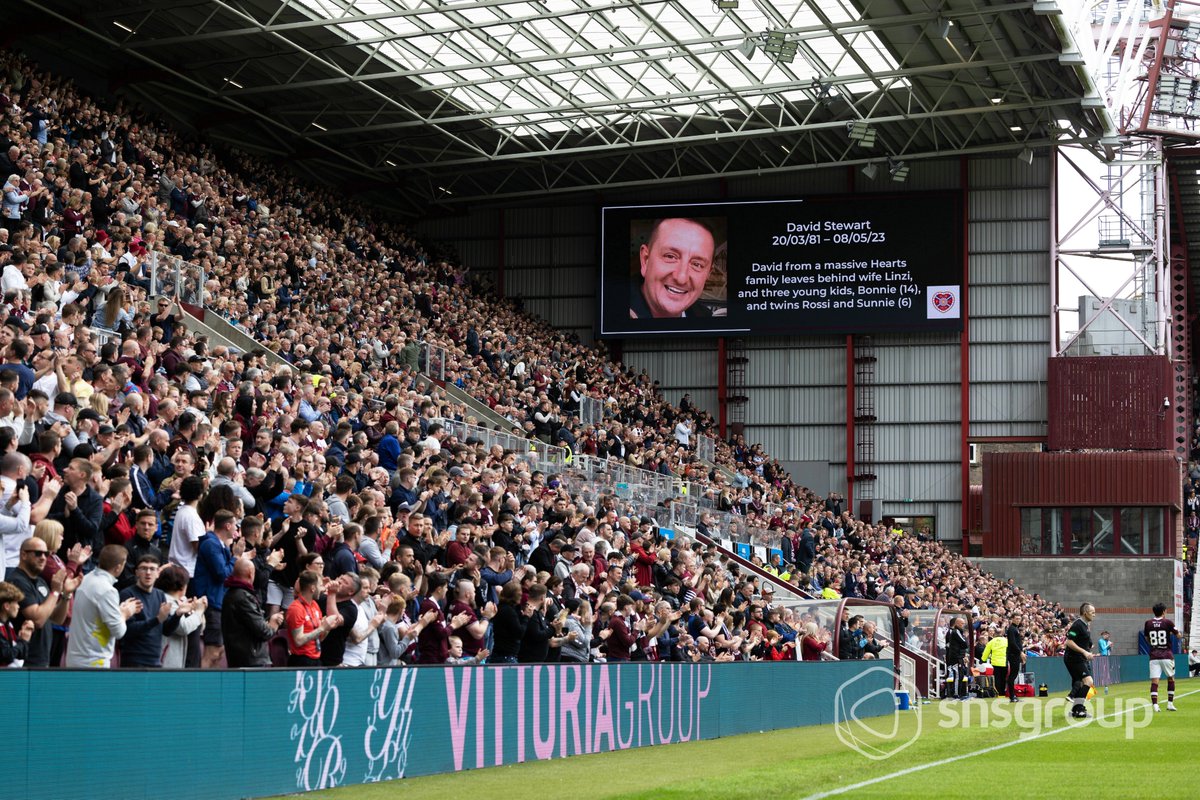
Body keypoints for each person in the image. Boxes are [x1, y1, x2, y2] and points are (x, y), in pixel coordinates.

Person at [65, 544, 142, 668]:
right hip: (93, 663)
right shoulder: (107, 590)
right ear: (118, 567)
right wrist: (125, 613)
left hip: (75, 658)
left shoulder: (87, 578)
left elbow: (95, 614)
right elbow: (119, 631)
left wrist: (118, 611)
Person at [629, 218, 716, 319]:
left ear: (708, 274)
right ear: (645, 260)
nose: (681, 278)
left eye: (697, 264)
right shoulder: (610, 312)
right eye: (670, 256)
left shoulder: (706, 318)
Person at [221, 557, 285, 668]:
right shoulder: (244, 598)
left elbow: (252, 623)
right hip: (251, 661)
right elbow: (264, 632)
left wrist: (269, 619)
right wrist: (274, 624)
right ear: (251, 574)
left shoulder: (230, 594)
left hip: (240, 659)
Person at [117, 555, 178, 668]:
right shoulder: (127, 594)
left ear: (158, 573)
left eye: (152, 569)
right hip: (133, 660)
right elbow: (128, 629)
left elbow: (166, 630)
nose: (148, 573)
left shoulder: (160, 594)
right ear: (137, 572)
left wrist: (178, 615)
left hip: (155, 659)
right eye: (144, 568)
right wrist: (156, 619)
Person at [286, 569, 341, 667]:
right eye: (320, 585)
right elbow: (298, 641)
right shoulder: (296, 608)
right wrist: (322, 628)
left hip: (316, 659)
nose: (323, 589)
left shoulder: (314, 605)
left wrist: (327, 628)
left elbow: (320, 638)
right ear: (312, 588)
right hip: (301, 661)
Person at [1064, 602, 1097, 718]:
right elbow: (1069, 641)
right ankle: (1079, 708)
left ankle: (1076, 710)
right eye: (1092, 612)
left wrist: (1088, 651)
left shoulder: (1086, 625)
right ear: (1085, 612)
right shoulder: (1077, 624)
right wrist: (1084, 652)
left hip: (1079, 658)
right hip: (1073, 658)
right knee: (1088, 681)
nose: (1094, 614)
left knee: (1080, 683)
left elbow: (1083, 642)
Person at [1144, 602, 1178, 712]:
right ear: (1163, 611)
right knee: (1171, 678)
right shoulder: (1168, 622)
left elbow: (1146, 638)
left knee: (1155, 681)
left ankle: (1155, 705)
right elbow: (1178, 635)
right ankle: (1170, 704)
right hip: (1167, 655)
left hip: (1154, 655)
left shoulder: (1148, 623)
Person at [0, 580, 33, 666]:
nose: (18, 606)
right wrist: (23, 641)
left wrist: (23, 637)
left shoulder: (9, 625)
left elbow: (22, 655)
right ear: (6, 606)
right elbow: (7, 655)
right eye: (16, 603)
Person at [944, 616, 970, 700]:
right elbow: (964, 644)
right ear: (957, 623)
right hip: (956, 657)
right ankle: (956, 694)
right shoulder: (956, 631)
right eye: (962, 623)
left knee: (960, 675)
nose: (963, 625)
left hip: (959, 656)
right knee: (958, 675)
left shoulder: (958, 632)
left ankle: (960, 693)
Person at [980, 626, 1009, 700]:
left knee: (997, 679)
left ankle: (998, 693)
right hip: (1004, 662)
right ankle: (1002, 693)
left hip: (995, 663)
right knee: (1003, 679)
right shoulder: (1006, 641)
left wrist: (983, 660)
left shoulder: (991, 642)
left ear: (994, 634)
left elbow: (986, 653)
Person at [1005, 613, 1026, 703]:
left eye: (1019, 619)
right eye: (1016, 618)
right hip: (1013, 655)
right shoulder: (1011, 629)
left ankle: (1013, 696)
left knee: (1014, 675)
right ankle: (1012, 696)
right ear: (1012, 619)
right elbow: (1012, 643)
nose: (1018, 620)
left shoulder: (1015, 629)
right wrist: (1020, 652)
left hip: (1015, 654)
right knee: (1012, 676)